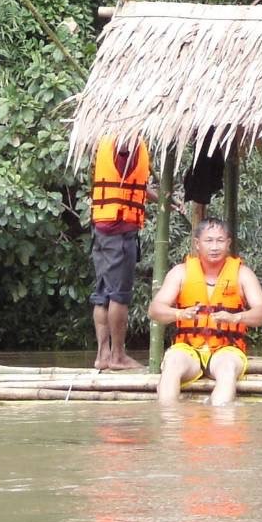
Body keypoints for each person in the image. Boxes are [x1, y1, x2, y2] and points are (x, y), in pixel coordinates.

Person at [149, 217, 262, 406]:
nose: (214, 247)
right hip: (188, 349)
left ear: (228, 243)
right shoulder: (180, 272)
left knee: (227, 369)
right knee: (172, 364)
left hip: (227, 349)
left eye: (220, 241)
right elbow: (155, 310)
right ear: (197, 244)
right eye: (209, 241)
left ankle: (219, 421)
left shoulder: (242, 273)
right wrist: (179, 314)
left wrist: (236, 317)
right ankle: (169, 423)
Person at [89, 134, 157, 371]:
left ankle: (103, 356)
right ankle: (117, 356)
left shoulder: (106, 141)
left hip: (102, 228)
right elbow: (126, 156)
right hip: (118, 231)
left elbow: (128, 184)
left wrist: (160, 198)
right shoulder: (126, 141)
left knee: (104, 293)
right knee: (119, 294)